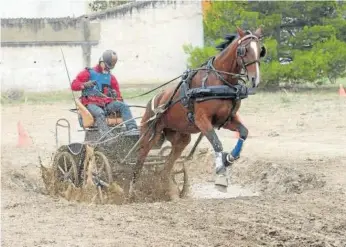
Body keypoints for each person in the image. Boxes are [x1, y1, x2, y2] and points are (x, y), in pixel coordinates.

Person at [71, 50, 138, 139]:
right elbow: (73, 85)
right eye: (106, 67)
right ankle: (106, 136)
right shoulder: (88, 73)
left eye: (109, 68)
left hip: (106, 105)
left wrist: (114, 95)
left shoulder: (111, 78)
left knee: (123, 106)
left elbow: (118, 95)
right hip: (91, 105)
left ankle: (132, 129)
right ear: (101, 62)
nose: (108, 69)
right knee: (99, 113)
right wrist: (84, 85)